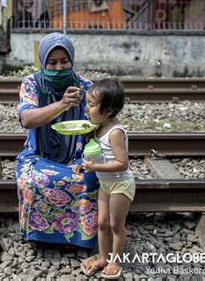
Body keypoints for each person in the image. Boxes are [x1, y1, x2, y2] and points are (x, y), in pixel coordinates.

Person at [15, 32, 99, 247]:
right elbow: (26, 119)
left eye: (64, 61)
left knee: (89, 180)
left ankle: (79, 238)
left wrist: (91, 137)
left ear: (72, 60)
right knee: (32, 180)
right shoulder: (31, 83)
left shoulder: (86, 86)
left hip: (78, 156)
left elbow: (102, 123)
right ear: (42, 61)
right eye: (52, 63)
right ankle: (39, 236)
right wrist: (62, 104)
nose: (59, 68)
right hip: (38, 156)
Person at [80, 78, 135, 279]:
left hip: (120, 183)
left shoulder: (115, 132)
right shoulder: (99, 126)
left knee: (115, 225)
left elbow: (122, 163)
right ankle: (103, 257)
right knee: (101, 222)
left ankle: (115, 260)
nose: (87, 108)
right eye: (87, 103)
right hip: (106, 183)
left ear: (108, 111)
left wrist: (95, 167)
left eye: (92, 105)